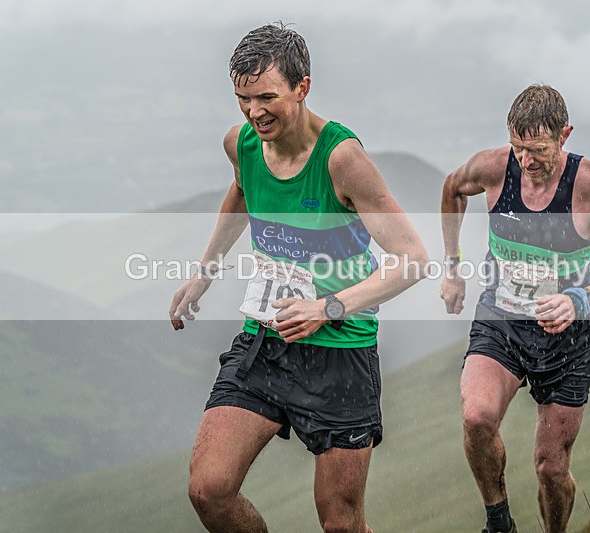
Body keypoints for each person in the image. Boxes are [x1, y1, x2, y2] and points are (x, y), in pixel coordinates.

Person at [168, 23, 428, 533]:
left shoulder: (342, 159)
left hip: (340, 350)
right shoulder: (241, 143)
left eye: (267, 97)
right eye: (243, 98)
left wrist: (327, 307)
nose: (254, 112)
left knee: (341, 523)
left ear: (302, 87)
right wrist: (203, 273)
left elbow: (413, 257)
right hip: (267, 339)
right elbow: (242, 193)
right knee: (209, 490)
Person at [439, 84, 590, 533]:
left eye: (537, 150)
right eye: (518, 148)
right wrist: (452, 267)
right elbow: (452, 188)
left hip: (568, 337)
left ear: (564, 135)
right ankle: (499, 522)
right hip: (502, 320)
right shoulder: (495, 168)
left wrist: (582, 298)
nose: (526, 161)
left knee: (550, 467)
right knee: (476, 417)